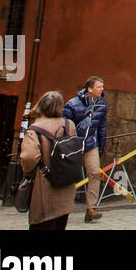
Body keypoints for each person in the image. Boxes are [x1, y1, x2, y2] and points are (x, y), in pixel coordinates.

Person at [21, 91, 77, 231]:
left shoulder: (35, 130)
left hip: (44, 189)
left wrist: (27, 174)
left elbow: (28, 158)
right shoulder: (69, 126)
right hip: (65, 189)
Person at [63, 77, 107, 223]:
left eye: (102, 87)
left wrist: (101, 145)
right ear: (90, 89)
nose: (101, 89)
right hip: (74, 144)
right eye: (99, 87)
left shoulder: (102, 104)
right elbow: (64, 126)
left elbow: (102, 126)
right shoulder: (73, 104)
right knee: (70, 176)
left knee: (95, 173)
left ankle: (91, 209)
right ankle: (63, 208)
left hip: (90, 144)